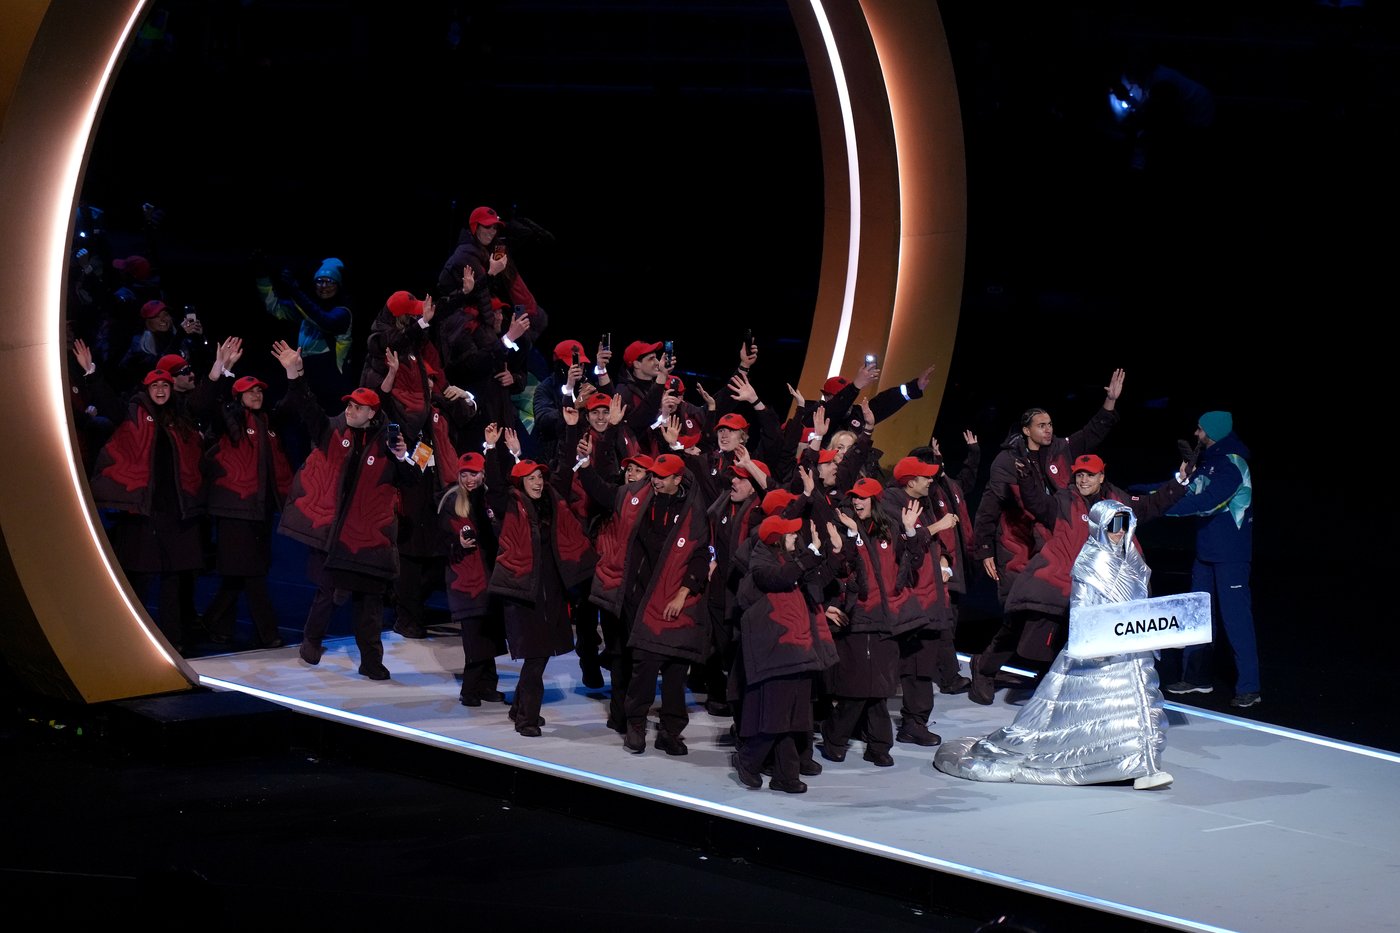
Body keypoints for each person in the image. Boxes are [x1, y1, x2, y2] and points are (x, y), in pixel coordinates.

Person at [934, 500, 1174, 790]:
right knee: (1098, 711)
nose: (1118, 532)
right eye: (1113, 525)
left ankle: (1141, 765)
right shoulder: (1092, 560)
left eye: (1124, 525)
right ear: (1100, 526)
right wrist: (1102, 637)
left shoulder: (1132, 557)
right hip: (1101, 648)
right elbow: (1083, 608)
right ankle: (1122, 763)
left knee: (1137, 705)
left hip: (1131, 648)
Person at [969, 451, 1188, 704]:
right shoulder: (1063, 500)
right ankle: (984, 668)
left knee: (1074, 638)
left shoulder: (1118, 501)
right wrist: (1027, 477)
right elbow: (1036, 502)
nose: (1083, 480)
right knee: (1022, 622)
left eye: (1090, 475)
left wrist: (1180, 482)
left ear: (1101, 476)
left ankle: (1050, 681)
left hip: (1097, 583)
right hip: (1059, 577)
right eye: (1080, 475)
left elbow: (1151, 505)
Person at [275, 347, 420, 681]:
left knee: (369, 604)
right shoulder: (331, 432)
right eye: (349, 405)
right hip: (333, 531)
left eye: (358, 407)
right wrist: (294, 375)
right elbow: (307, 409)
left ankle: (371, 662)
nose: (350, 410)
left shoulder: (390, 442)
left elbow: (413, 480)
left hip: (369, 535)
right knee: (327, 592)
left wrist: (403, 458)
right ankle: (311, 640)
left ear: (372, 413)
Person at [77, 341, 206, 651]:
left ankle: (172, 641)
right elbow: (109, 402)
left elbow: (204, 402)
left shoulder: (179, 416)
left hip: (175, 508)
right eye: (155, 385)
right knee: (140, 577)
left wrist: (217, 372)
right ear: (146, 388)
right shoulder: (133, 411)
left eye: (165, 384)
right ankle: (130, 640)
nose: (160, 389)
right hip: (142, 509)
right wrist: (91, 371)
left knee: (173, 578)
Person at [973, 369, 1126, 608]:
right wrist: (984, 550)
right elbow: (989, 506)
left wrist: (1111, 401)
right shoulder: (1006, 461)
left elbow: (1092, 432)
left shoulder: (1060, 448)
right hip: (1018, 540)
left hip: (1056, 536)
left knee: (1059, 601)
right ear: (1026, 431)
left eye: (1050, 425)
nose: (1048, 430)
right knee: (1019, 604)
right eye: (1042, 426)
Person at [482, 426, 597, 736]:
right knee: (535, 657)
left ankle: (519, 706)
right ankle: (527, 719)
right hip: (522, 593)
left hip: (551, 592)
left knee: (541, 655)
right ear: (519, 482)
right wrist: (492, 449)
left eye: (539, 477)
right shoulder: (510, 506)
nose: (537, 481)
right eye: (530, 477)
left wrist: (570, 429)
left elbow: (561, 472)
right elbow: (492, 485)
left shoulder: (552, 503)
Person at [193, 338, 295, 649]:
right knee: (252, 574)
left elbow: (293, 407)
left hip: (260, 508)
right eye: (250, 390)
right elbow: (205, 404)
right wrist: (222, 370)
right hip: (234, 507)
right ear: (238, 396)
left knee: (240, 572)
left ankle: (214, 623)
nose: (257, 393)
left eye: (260, 390)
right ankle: (269, 633)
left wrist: (293, 373)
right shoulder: (230, 420)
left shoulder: (268, 421)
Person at [731, 515, 841, 793]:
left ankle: (786, 774)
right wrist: (811, 553)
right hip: (776, 652)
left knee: (795, 718)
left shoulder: (786, 561)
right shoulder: (762, 565)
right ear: (777, 540)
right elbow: (781, 578)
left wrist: (835, 553)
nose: (796, 537)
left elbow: (813, 581)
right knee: (777, 717)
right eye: (790, 535)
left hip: (799, 649)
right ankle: (748, 761)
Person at [1162, 410, 1258, 708]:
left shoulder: (1232, 463)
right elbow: (1186, 490)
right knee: (1197, 615)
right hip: (1206, 553)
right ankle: (1196, 678)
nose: (1196, 433)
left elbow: (1208, 501)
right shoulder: (1210, 461)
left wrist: (1160, 510)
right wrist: (1143, 496)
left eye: (1200, 429)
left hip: (1231, 556)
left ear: (1213, 432)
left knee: (1236, 620)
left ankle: (1250, 687)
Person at [437, 451, 506, 709]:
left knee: (490, 635)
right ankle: (469, 689)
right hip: (464, 582)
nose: (469, 479)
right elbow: (441, 541)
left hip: (490, 580)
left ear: (483, 474)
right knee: (475, 639)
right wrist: (458, 542)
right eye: (464, 474)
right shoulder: (450, 501)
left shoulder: (490, 501)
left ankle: (488, 686)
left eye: (474, 473)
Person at [256, 255, 354, 411]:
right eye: (319, 281)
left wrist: (295, 290)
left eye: (329, 281)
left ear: (338, 285)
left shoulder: (343, 313)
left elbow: (324, 321)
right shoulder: (306, 311)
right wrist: (262, 276)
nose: (323, 286)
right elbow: (275, 307)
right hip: (308, 380)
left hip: (333, 386)